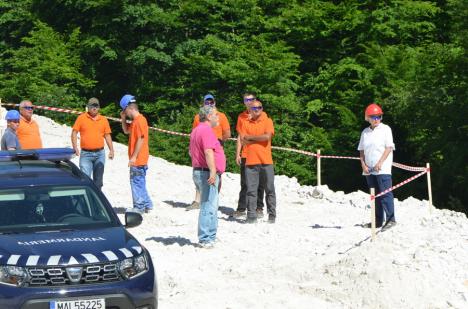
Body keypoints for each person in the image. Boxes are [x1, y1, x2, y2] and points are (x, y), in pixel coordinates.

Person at [189, 105, 226, 248]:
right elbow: (208, 152)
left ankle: (210, 235)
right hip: (206, 172)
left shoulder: (196, 130)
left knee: (211, 204)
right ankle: (205, 238)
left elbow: (191, 152)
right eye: (216, 115)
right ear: (209, 116)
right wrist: (212, 171)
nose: (218, 117)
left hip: (200, 171)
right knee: (207, 206)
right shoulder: (206, 130)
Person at [187, 94, 230, 210]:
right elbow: (194, 132)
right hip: (204, 146)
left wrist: (218, 142)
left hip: (215, 144)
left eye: (211, 102)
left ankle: (213, 199)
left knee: (216, 175)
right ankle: (198, 200)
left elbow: (227, 133)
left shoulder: (221, 116)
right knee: (203, 171)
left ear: (215, 102)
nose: (210, 104)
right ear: (204, 103)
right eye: (207, 102)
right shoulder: (199, 117)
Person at [358, 103, 396, 230]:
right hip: (369, 169)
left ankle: (391, 220)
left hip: (383, 168)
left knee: (385, 194)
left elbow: (389, 147)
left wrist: (380, 163)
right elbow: (361, 150)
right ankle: (378, 221)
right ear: (367, 118)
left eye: (379, 116)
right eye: (373, 117)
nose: (376, 119)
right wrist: (363, 165)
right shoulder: (365, 132)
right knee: (374, 196)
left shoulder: (386, 129)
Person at [240, 100, 277, 223]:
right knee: (251, 190)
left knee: (269, 189)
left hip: (266, 161)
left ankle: (272, 215)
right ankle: (251, 215)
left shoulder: (268, 121)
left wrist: (250, 138)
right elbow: (243, 140)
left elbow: (267, 137)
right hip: (250, 161)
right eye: (254, 108)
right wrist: (257, 139)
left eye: (259, 108)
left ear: (262, 108)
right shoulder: (245, 122)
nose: (257, 110)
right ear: (250, 109)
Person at [232, 93, 266, 218]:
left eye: (251, 99)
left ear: (255, 100)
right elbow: (240, 137)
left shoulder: (262, 115)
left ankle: (259, 208)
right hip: (246, 154)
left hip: (259, 154)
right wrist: (238, 154)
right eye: (246, 99)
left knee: (260, 182)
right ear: (244, 101)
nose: (249, 101)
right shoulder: (241, 117)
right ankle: (241, 208)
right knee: (245, 182)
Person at [119, 94, 153, 214]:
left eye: (124, 111)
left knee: (136, 182)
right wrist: (123, 119)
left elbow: (141, 138)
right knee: (140, 181)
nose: (125, 113)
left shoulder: (140, 121)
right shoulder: (136, 121)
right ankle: (147, 204)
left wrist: (133, 157)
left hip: (138, 159)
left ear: (130, 108)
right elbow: (126, 131)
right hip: (141, 158)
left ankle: (139, 207)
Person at [71, 98, 114, 190]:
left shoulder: (103, 120)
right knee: (85, 181)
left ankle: (96, 202)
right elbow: (74, 132)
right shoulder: (81, 118)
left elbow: (107, 135)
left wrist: (111, 150)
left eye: (96, 106)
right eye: (92, 106)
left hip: (100, 154)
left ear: (99, 107)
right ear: (88, 107)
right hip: (86, 154)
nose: (94, 108)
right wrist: (75, 147)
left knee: (98, 182)